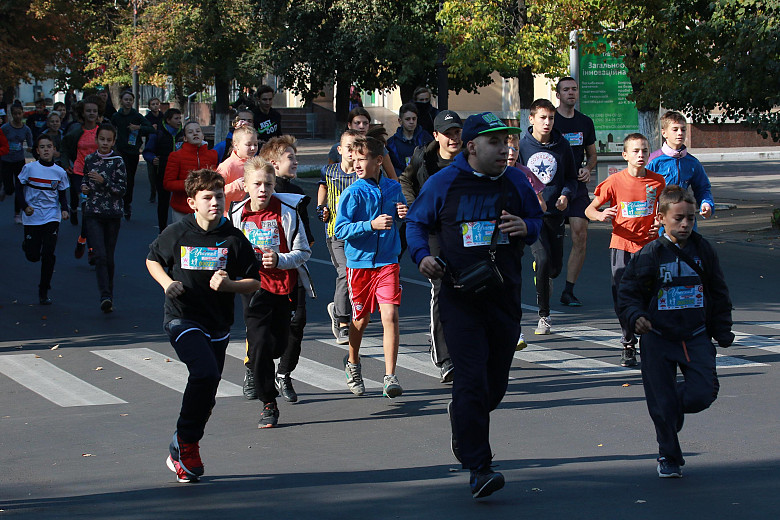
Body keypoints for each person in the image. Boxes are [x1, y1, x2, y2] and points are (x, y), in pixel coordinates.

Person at [405, 112, 542, 499]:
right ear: (472, 147)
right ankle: (480, 468)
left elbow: (537, 218)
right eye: (496, 142)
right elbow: (416, 223)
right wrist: (421, 257)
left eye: (508, 141)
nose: (506, 149)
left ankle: (463, 422)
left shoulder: (515, 179)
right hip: (459, 297)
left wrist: (525, 227)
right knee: (469, 381)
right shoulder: (444, 182)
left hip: (503, 295)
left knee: (493, 387)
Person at [146, 168, 261, 483]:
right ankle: (186, 443)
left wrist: (229, 287)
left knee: (208, 391)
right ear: (192, 202)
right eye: (208, 198)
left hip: (218, 323)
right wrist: (168, 283)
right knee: (205, 372)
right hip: (182, 317)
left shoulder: (233, 238)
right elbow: (153, 259)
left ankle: (183, 443)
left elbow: (254, 281)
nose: (215, 203)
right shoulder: (179, 232)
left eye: (219, 196)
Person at [618, 185, 733, 478]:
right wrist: (636, 317)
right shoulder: (650, 254)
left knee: (702, 394)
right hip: (658, 339)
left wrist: (722, 330)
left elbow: (718, 292)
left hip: (695, 335)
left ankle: (673, 409)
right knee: (661, 403)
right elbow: (628, 293)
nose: (685, 224)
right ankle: (669, 456)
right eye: (679, 218)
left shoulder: (703, 251)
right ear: (661, 218)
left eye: (690, 219)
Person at [228, 158, 312, 426]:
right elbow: (228, 251)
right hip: (253, 288)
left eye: (268, 184)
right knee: (260, 344)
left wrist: (279, 260)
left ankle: (274, 368)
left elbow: (304, 252)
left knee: (278, 343)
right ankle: (269, 402)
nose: (263, 190)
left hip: (285, 287)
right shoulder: (237, 214)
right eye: (257, 184)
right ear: (247, 185)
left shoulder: (287, 211)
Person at [333, 135, 408, 399]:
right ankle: (352, 362)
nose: (356, 163)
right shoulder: (352, 193)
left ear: (378, 161)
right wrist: (369, 225)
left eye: (362, 159)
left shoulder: (392, 187)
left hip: (388, 261)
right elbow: (339, 229)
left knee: (390, 316)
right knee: (361, 319)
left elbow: (401, 210)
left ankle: (390, 376)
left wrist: (403, 213)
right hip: (360, 263)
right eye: (353, 158)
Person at [584, 133, 666, 367]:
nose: (641, 155)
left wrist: (660, 224)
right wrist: (600, 215)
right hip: (621, 245)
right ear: (625, 155)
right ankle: (628, 343)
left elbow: (663, 212)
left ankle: (650, 340)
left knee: (652, 294)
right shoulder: (614, 182)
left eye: (644, 151)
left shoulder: (657, 181)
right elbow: (590, 209)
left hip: (649, 247)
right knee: (623, 295)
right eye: (636, 151)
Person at [399, 109, 463, 382]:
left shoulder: (469, 158)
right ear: (436, 136)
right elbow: (405, 180)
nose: (453, 138)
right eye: (448, 134)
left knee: (468, 289)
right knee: (441, 286)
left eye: (457, 132)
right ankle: (445, 358)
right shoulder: (423, 157)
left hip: (465, 230)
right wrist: (415, 208)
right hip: (434, 230)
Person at [252, 135, 316, 403]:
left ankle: (284, 374)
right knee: (258, 329)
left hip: (291, 270)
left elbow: (307, 240)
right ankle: (251, 370)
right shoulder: (251, 200)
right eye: (290, 157)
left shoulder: (296, 197)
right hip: (259, 278)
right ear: (273, 164)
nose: (296, 161)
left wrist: (287, 254)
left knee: (297, 322)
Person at [516, 98, 578, 335]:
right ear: (531, 119)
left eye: (551, 118)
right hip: (533, 216)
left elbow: (571, 178)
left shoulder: (562, 146)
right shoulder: (523, 147)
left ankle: (546, 276)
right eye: (542, 117)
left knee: (554, 268)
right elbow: (516, 177)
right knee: (541, 261)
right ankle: (544, 315)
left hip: (556, 213)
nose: (547, 122)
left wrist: (565, 195)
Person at [554, 77, 598, 307]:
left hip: (577, 186)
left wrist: (587, 169)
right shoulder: (550, 120)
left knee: (580, 234)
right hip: (555, 187)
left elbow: (592, 155)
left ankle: (569, 290)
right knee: (553, 243)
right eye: (566, 90)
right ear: (558, 94)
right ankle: (548, 278)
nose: (571, 93)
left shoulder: (585, 122)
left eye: (574, 89)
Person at [318, 129, 360, 344]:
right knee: (345, 272)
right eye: (349, 148)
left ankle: (340, 308)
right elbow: (323, 186)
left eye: (356, 147)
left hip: (359, 232)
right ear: (340, 150)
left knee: (358, 275)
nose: (352, 152)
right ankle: (343, 321)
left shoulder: (363, 173)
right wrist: (321, 207)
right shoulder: (330, 170)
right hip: (336, 232)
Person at [17, 134, 70, 304]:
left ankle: (44, 290)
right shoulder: (29, 169)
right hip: (32, 216)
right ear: (37, 151)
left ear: (54, 150)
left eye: (49, 147)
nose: (46, 150)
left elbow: (62, 194)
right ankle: (27, 244)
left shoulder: (59, 172)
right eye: (42, 147)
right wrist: (25, 206)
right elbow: (19, 190)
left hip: (51, 216)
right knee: (33, 256)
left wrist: (64, 209)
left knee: (48, 253)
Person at [81, 123, 127, 313]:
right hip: (93, 212)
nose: (105, 143)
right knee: (99, 254)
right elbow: (85, 180)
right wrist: (85, 187)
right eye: (102, 139)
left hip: (112, 214)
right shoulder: (90, 159)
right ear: (96, 139)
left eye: (109, 140)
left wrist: (104, 181)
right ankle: (104, 295)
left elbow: (121, 189)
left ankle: (110, 295)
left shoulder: (118, 162)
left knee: (108, 256)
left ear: (114, 141)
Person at [647, 111, 715, 222]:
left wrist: (706, 204)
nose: (680, 133)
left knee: (691, 239)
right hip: (659, 219)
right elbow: (641, 190)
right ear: (664, 133)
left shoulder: (692, 162)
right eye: (675, 129)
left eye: (683, 129)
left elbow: (703, 188)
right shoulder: (653, 161)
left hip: (685, 217)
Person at [62, 95, 104, 231]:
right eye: (88, 111)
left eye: (94, 111)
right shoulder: (75, 132)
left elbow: (112, 149)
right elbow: (64, 148)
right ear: (83, 113)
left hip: (98, 172)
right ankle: (85, 233)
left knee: (95, 203)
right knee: (85, 201)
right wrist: (65, 163)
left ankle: (91, 229)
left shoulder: (103, 131)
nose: (92, 113)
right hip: (80, 172)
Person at [163, 121, 218, 223]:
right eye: (190, 132)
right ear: (185, 138)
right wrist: (192, 184)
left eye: (198, 131)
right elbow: (168, 183)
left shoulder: (212, 155)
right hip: (182, 209)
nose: (195, 134)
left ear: (202, 136)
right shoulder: (176, 156)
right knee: (183, 238)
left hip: (206, 208)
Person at [111, 90, 153, 220]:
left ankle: (127, 203)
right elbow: (110, 129)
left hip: (133, 151)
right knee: (120, 177)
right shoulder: (116, 117)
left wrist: (138, 128)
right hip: (119, 151)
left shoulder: (137, 116)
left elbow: (150, 128)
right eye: (126, 99)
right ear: (122, 101)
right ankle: (117, 202)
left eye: (130, 100)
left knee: (130, 179)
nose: (128, 102)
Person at [327, 107, 397, 180]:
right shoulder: (337, 148)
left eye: (365, 123)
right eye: (357, 123)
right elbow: (329, 176)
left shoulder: (377, 147)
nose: (361, 126)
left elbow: (392, 176)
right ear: (349, 125)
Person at [143, 108, 183, 232]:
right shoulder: (158, 134)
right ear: (168, 120)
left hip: (181, 173)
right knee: (163, 201)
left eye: (180, 118)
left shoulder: (183, 134)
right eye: (176, 118)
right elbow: (147, 152)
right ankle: (163, 229)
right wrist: (153, 158)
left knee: (181, 200)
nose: (179, 121)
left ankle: (182, 228)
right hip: (163, 171)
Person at [1, 104, 34, 220]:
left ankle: (17, 213)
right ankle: (6, 189)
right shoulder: (5, 128)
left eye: (19, 113)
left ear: (23, 113)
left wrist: (31, 148)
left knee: (19, 186)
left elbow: (31, 144)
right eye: (15, 114)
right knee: (10, 188)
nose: (17, 116)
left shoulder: (26, 129)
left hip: (19, 160)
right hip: (6, 160)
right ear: (11, 114)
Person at [216, 124, 258, 213]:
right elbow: (213, 190)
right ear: (236, 144)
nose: (253, 148)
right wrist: (235, 186)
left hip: (251, 214)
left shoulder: (256, 163)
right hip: (229, 214)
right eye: (248, 144)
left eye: (256, 144)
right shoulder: (227, 165)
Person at [386, 102, 433, 177]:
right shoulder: (391, 143)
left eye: (414, 119)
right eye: (408, 119)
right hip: (402, 181)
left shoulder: (426, 138)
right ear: (400, 121)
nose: (411, 122)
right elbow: (391, 167)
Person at [145, 97, 164, 203]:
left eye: (157, 104)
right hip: (151, 147)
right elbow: (143, 131)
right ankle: (153, 191)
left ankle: (161, 191)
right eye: (153, 104)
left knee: (161, 172)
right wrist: (151, 129)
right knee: (151, 173)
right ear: (149, 106)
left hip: (162, 146)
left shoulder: (163, 117)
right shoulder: (147, 118)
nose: (155, 106)